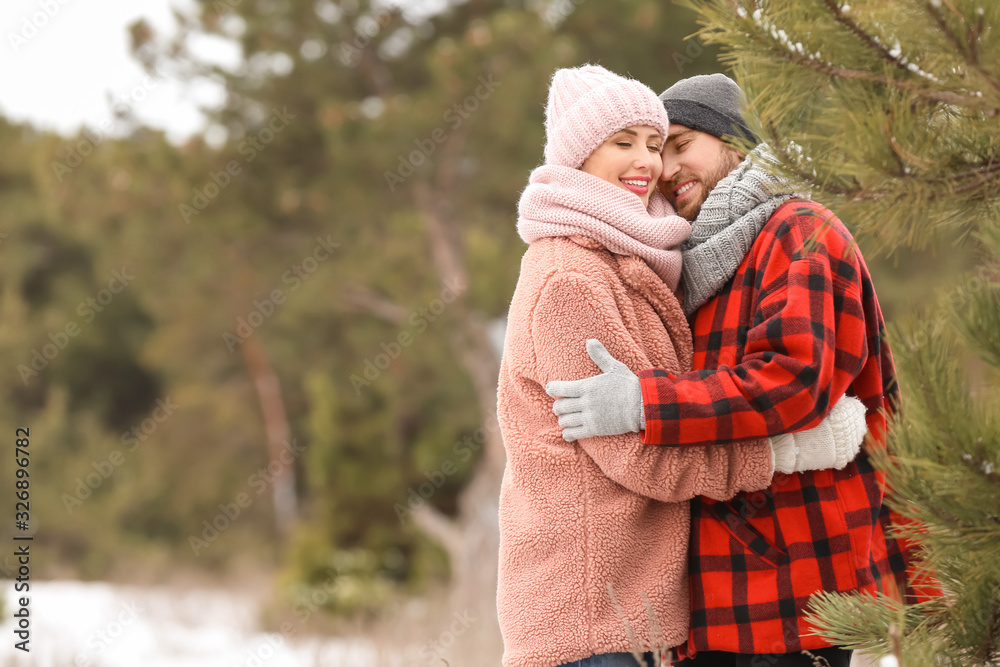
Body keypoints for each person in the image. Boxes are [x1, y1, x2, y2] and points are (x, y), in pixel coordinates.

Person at [546, 73, 939, 667]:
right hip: (716, 592)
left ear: (734, 141)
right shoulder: (694, 257)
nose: (666, 169)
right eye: (657, 152)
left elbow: (793, 382)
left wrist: (647, 404)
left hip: (797, 582)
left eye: (681, 146)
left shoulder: (800, 231)